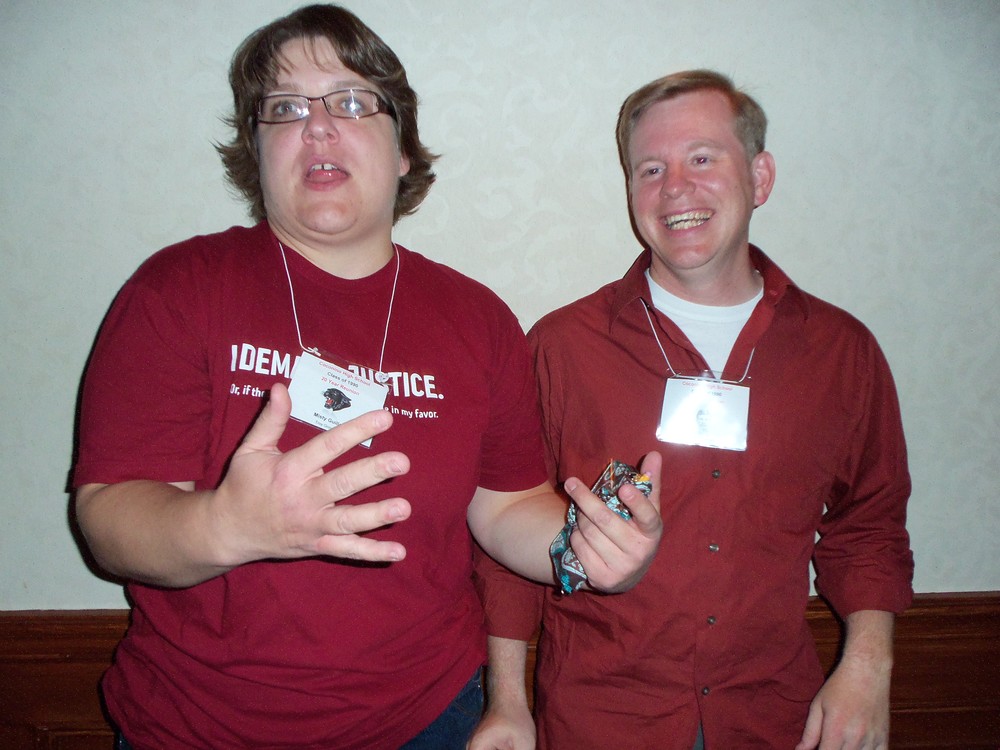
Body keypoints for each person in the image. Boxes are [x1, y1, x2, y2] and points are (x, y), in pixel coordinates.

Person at [72, 6, 664, 749]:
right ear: (256, 148)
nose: (318, 128)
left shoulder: (477, 319)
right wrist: (226, 526)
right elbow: (108, 517)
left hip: (426, 718)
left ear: (404, 148)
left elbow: (507, 505)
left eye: (352, 102)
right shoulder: (177, 290)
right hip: (198, 725)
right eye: (285, 109)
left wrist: (586, 549)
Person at [470, 70, 914, 750]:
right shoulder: (560, 348)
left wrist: (868, 667)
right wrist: (507, 702)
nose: (675, 187)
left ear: (760, 178)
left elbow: (870, 526)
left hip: (774, 719)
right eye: (650, 169)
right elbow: (509, 534)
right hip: (603, 720)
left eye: (702, 158)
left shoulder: (841, 352)